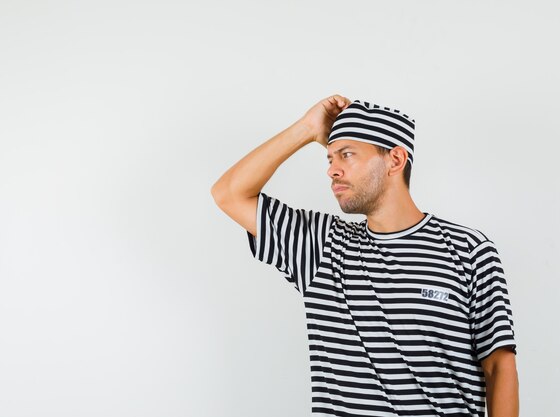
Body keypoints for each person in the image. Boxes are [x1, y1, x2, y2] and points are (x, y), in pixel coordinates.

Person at [211, 94, 519, 417]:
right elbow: (229, 193)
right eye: (329, 159)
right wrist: (306, 128)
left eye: (346, 155)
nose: (333, 170)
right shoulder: (322, 246)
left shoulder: (469, 251)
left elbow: (499, 366)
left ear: (395, 160)